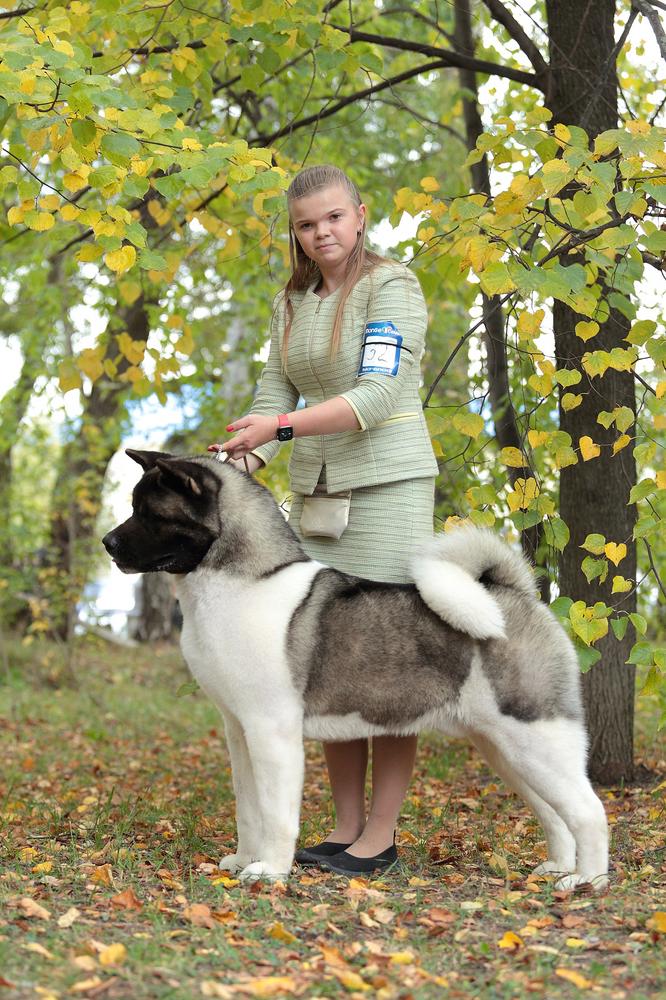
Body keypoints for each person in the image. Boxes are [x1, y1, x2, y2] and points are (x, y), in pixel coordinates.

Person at [209, 164, 438, 875]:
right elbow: (274, 392)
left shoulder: (391, 287)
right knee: (334, 665)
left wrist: (278, 427)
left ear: (360, 215)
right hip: (316, 496)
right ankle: (343, 829)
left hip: (388, 489)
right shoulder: (293, 299)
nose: (321, 233)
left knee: (389, 662)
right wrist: (233, 466)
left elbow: (374, 396)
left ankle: (382, 835)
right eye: (307, 224)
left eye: (333, 218)